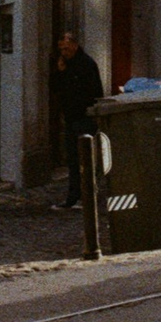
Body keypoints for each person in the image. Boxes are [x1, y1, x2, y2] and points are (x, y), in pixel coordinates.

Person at [48, 29, 104, 209]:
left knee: (83, 159)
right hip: (71, 118)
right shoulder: (63, 64)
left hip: (84, 117)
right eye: (61, 50)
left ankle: (84, 196)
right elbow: (55, 88)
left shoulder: (86, 64)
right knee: (73, 159)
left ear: (74, 45)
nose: (64, 53)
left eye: (66, 48)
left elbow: (94, 92)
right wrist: (60, 72)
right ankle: (75, 196)